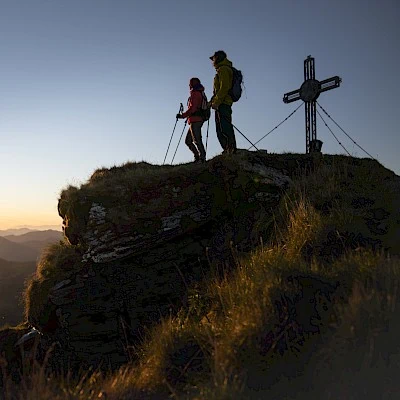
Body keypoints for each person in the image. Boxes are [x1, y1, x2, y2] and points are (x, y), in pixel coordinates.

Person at [208, 50, 237, 154]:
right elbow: (217, 91)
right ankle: (227, 149)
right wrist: (211, 102)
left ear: (218, 58)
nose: (212, 61)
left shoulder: (224, 69)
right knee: (220, 128)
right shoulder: (221, 70)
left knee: (225, 127)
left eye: (213, 58)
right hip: (220, 103)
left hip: (224, 103)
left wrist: (217, 102)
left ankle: (231, 148)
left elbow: (224, 87)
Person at [176, 77, 207, 163]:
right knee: (188, 141)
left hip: (195, 120)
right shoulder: (200, 92)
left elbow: (193, 108)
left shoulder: (195, 93)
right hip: (195, 119)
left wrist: (182, 116)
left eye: (190, 84)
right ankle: (198, 157)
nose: (189, 85)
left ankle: (202, 158)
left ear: (193, 84)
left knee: (196, 140)